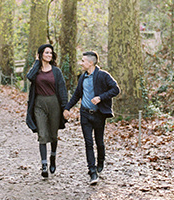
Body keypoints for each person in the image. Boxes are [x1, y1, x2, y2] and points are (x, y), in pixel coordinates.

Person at [63, 51, 120, 185]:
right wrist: (67, 108)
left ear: (91, 62)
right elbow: (77, 95)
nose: (80, 63)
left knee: (99, 142)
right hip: (85, 114)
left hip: (99, 114)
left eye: (83, 61)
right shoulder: (82, 78)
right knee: (88, 143)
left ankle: (101, 162)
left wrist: (101, 97)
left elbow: (115, 89)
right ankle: (92, 171)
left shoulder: (103, 75)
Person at [26, 44, 68, 178]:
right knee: (42, 134)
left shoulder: (56, 71)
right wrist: (37, 62)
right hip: (39, 104)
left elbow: (62, 90)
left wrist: (65, 107)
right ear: (40, 54)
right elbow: (29, 77)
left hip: (54, 103)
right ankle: (44, 165)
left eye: (51, 53)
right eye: (46, 53)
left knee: (53, 134)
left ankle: (53, 158)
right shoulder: (36, 71)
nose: (49, 55)